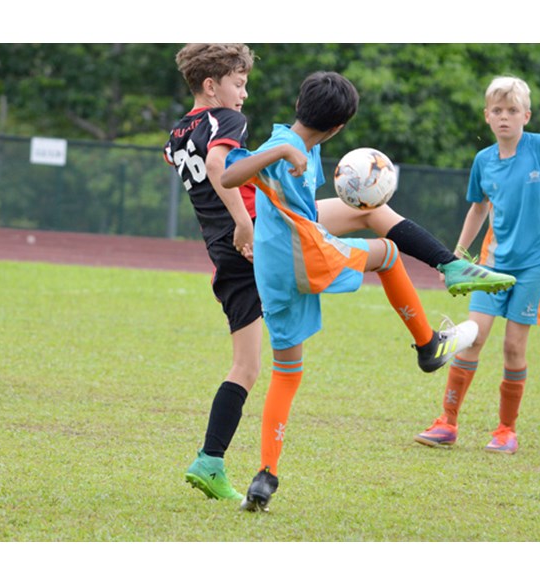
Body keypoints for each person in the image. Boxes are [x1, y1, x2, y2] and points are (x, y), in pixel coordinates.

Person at [165, 45, 513, 503]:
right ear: (211, 86)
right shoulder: (227, 120)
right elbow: (220, 168)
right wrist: (244, 220)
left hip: (237, 251)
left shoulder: (179, 132)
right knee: (383, 247)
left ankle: (218, 462)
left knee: (253, 366)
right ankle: (435, 318)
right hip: (266, 232)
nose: (244, 94)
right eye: (239, 84)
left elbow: (194, 168)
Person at [220, 71, 480, 512]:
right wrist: (279, 151)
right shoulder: (284, 144)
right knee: (388, 254)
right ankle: (427, 345)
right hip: (304, 256)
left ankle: (265, 476)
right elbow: (230, 176)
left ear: (299, 103)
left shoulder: (301, 142)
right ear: (339, 127)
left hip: (274, 266)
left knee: (287, 370)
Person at [413, 76, 540, 454]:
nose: (504, 117)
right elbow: (478, 208)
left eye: (512, 110)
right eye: (497, 110)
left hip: (535, 265)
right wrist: (456, 254)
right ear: (487, 116)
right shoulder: (483, 161)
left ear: (526, 115)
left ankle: (506, 431)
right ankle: (447, 422)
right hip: (491, 265)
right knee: (473, 338)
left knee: (513, 347)